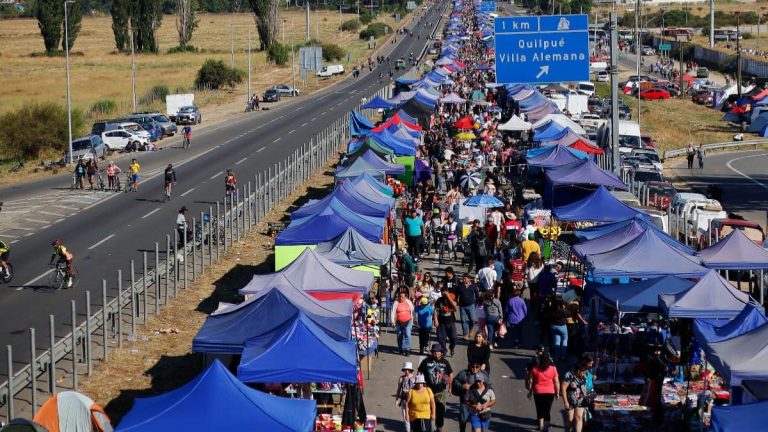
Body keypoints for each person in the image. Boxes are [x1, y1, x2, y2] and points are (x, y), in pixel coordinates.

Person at [418, 343, 453, 432]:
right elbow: (419, 372)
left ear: (441, 352)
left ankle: (439, 428)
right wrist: (419, 384)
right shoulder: (426, 361)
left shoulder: (445, 362)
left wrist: (450, 387)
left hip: (441, 392)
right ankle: (427, 428)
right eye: (434, 351)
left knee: (440, 411)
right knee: (427, 411)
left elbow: (450, 374)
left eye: (438, 351)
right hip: (428, 391)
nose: (436, 353)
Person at [526, 354, 559, 432]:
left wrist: (530, 392)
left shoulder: (535, 368)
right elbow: (556, 382)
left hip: (538, 391)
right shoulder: (553, 369)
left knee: (539, 408)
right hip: (550, 392)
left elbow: (531, 381)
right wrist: (557, 392)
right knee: (547, 410)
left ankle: (540, 425)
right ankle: (546, 427)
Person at [561, 364, 589, 432]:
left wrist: (586, 401)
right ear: (579, 371)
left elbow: (584, 387)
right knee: (570, 420)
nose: (585, 374)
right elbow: (563, 388)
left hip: (581, 401)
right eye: (583, 372)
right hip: (570, 401)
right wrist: (565, 402)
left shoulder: (583, 376)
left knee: (579, 418)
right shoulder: (569, 375)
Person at [434, 288, 458, 356]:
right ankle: (444, 351)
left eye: (445, 292)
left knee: (454, 338)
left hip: (451, 321)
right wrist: (435, 319)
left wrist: (448, 297)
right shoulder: (439, 300)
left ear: (448, 292)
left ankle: (451, 347)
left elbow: (455, 307)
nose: (443, 294)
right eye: (442, 292)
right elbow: (435, 310)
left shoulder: (452, 298)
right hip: (441, 322)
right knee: (441, 338)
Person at [391, 290, 414, 357]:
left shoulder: (408, 302)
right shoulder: (396, 303)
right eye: (399, 297)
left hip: (408, 321)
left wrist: (415, 320)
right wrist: (392, 322)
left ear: (405, 297)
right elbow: (393, 312)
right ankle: (400, 349)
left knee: (407, 334)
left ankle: (407, 349)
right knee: (399, 335)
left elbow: (413, 311)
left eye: (402, 297)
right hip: (399, 322)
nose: (400, 298)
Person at [456, 273, 480, 340]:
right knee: (463, 320)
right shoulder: (460, 286)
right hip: (462, 306)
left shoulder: (473, 286)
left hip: (471, 305)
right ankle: (465, 334)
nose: (463, 280)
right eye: (463, 278)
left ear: (469, 279)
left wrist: (478, 303)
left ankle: (471, 329)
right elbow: (456, 295)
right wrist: (456, 302)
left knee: (472, 319)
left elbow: (477, 295)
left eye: (465, 278)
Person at [396, 361, 417, 432]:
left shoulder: (415, 378)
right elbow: (398, 390)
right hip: (404, 400)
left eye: (408, 370)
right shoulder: (401, 378)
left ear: (411, 370)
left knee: (413, 416)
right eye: (405, 370)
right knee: (405, 417)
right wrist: (397, 399)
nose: (407, 371)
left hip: (413, 400)